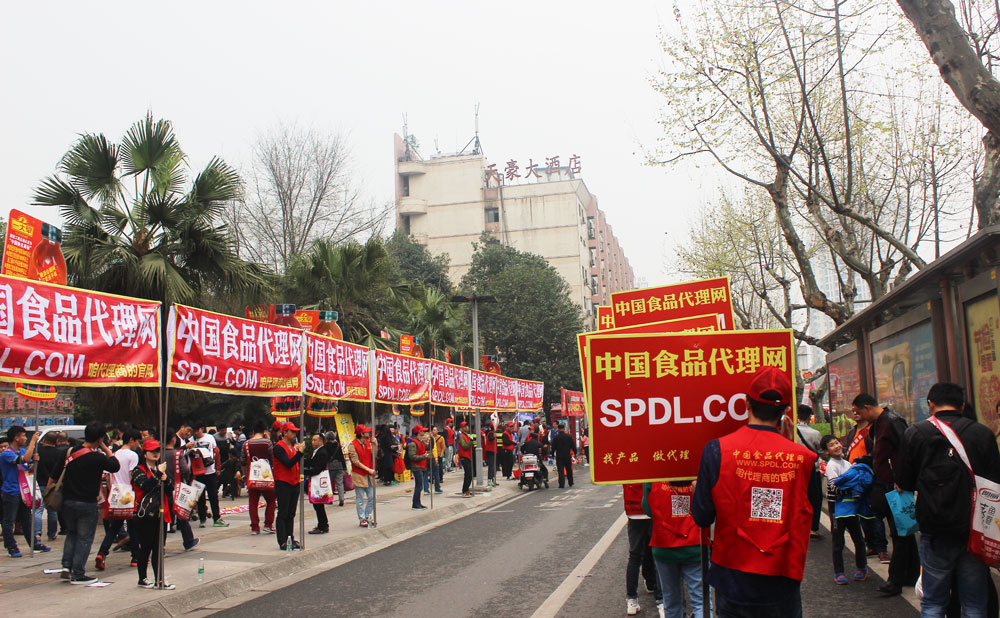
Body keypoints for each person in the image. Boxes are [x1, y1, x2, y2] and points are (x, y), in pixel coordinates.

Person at [692, 366, 819, 617]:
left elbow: (702, 517)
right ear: (785, 411)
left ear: (746, 404)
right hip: (782, 581)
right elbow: (811, 517)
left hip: (732, 579)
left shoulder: (716, 450)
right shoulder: (804, 458)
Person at [895, 383, 1000, 616]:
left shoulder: (915, 433)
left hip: (935, 527)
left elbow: (905, 481)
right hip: (975, 528)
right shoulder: (982, 433)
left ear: (930, 404)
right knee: (974, 603)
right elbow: (995, 480)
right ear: (962, 405)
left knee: (933, 602)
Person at [853, 393, 920, 595]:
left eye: (858, 411)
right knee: (904, 531)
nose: (857, 416)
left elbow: (909, 450)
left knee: (900, 532)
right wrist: (865, 460)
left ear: (867, 407)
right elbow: (880, 453)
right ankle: (911, 575)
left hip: (896, 486)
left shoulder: (892, 421)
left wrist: (903, 478)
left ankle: (895, 580)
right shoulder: (877, 426)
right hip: (885, 484)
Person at [59, 422, 121, 584]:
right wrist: (106, 448)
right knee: (85, 538)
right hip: (86, 502)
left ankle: (66, 566)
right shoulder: (97, 457)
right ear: (100, 438)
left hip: (68, 501)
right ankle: (78, 573)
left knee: (72, 534)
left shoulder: (72, 451)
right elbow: (115, 466)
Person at [644, 480, 700, 618]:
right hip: (695, 547)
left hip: (665, 546)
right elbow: (709, 510)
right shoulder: (699, 467)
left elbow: (647, 508)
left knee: (671, 603)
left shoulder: (652, 473)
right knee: (700, 603)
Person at [820, 435, 870, 585]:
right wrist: (851, 488)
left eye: (836, 443)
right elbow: (834, 487)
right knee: (838, 541)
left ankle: (862, 568)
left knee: (859, 540)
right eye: (831, 445)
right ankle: (839, 572)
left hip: (851, 508)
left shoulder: (847, 464)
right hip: (837, 509)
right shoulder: (831, 466)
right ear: (826, 452)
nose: (836, 446)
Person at [842, 404, 887, 562]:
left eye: (858, 411)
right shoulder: (852, 432)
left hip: (871, 475)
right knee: (862, 514)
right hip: (856, 478)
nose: (855, 414)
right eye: (853, 412)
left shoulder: (871, 430)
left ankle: (882, 549)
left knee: (875, 513)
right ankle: (871, 545)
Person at [131, 439, 175, 589]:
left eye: (158, 451)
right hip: (145, 515)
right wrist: (158, 474)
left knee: (159, 548)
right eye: (152, 451)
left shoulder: (159, 469)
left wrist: (166, 479)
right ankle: (142, 578)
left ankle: (159, 579)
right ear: (145, 454)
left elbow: (169, 489)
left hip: (160, 513)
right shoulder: (138, 470)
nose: (156, 454)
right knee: (146, 547)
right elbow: (145, 485)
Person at [95, 428, 141, 571]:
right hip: (128, 493)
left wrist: (113, 492)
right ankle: (135, 557)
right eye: (137, 441)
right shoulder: (132, 455)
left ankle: (102, 553)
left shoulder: (113, 454)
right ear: (131, 440)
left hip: (115, 493)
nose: (138, 445)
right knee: (133, 526)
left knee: (114, 528)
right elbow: (132, 475)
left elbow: (108, 477)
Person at [1, 426, 48, 557]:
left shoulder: (21, 450)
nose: (25, 439)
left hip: (24, 490)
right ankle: (12, 547)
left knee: (27, 519)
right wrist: (33, 442)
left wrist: (35, 461)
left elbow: (28, 465)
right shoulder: (7, 453)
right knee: (9, 520)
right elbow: (23, 460)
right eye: (23, 436)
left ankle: (34, 544)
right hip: (11, 491)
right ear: (16, 437)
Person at [624, 483, 660, 615]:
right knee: (657, 553)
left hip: (634, 507)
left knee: (634, 556)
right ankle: (661, 600)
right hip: (653, 503)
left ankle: (632, 599)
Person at [163, 431, 199, 550]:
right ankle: (188, 541)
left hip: (162, 488)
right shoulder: (177, 454)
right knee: (181, 516)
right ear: (173, 439)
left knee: (164, 518)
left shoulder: (158, 454)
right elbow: (186, 471)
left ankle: (160, 546)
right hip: (177, 489)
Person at [272, 421, 304, 550]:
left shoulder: (292, 446)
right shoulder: (279, 448)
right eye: (292, 431)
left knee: (291, 513)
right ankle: (282, 540)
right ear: (285, 433)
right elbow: (288, 463)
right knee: (283, 512)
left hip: (294, 482)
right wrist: (300, 453)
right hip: (283, 483)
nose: (294, 434)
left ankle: (290, 537)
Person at [242, 422, 276, 534]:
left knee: (253, 502)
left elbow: (242, 461)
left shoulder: (246, 444)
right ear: (264, 431)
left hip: (253, 476)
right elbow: (272, 459)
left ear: (253, 431)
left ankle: (255, 527)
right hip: (266, 476)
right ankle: (268, 524)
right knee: (271, 500)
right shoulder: (267, 443)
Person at [192, 423, 228, 528]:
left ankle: (216, 517)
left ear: (202, 429)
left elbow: (216, 452)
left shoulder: (210, 438)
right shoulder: (191, 440)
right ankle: (202, 518)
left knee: (213, 495)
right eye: (194, 431)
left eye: (197, 430)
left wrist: (217, 467)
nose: (195, 433)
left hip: (210, 471)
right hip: (198, 472)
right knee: (200, 496)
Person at [796, 404, 824, 540]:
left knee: (798, 498)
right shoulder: (815, 434)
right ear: (809, 417)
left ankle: (798, 526)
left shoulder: (791, 431)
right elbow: (820, 450)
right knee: (815, 498)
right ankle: (813, 528)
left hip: (795, 470)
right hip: (813, 469)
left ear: (797, 416)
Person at [35, 431, 62, 542]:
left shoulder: (37, 451)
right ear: (56, 441)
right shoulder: (58, 453)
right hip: (53, 485)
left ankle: (37, 534)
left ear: (44, 440)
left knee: (38, 509)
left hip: (39, 483)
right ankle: (52, 533)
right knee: (52, 509)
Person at [349, 424, 378, 526]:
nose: (368, 433)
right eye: (366, 432)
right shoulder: (352, 445)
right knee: (360, 498)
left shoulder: (369, 443)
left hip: (369, 475)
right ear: (362, 434)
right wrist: (368, 470)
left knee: (371, 496)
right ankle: (362, 519)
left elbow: (375, 455)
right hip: (359, 474)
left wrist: (376, 445)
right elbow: (355, 461)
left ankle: (367, 516)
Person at [305, 433, 330, 534]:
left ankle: (323, 526)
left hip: (318, 481)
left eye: (315, 440)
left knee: (318, 504)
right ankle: (322, 524)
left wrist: (304, 472)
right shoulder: (317, 451)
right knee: (318, 505)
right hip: (316, 480)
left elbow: (317, 469)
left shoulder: (322, 452)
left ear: (321, 441)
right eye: (312, 440)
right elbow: (311, 462)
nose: (313, 442)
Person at [405, 425, 432, 509]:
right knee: (419, 485)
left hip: (422, 466)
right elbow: (412, 457)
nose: (424, 432)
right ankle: (415, 503)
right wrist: (424, 456)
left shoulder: (422, 442)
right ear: (419, 432)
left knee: (420, 485)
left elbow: (430, 447)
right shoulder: (413, 444)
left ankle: (418, 502)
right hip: (416, 466)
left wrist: (431, 439)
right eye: (422, 431)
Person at [323, 431, 347, 507]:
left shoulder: (326, 446)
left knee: (329, 484)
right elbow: (341, 457)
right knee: (339, 483)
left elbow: (325, 456)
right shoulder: (338, 445)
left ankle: (330, 499)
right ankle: (341, 499)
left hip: (330, 466)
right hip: (339, 465)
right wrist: (344, 467)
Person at [551, 423, 577, 488]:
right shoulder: (568, 436)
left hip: (559, 455)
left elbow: (553, 447)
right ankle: (570, 482)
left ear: (558, 429)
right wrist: (575, 453)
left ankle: (561, 484)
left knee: (560, 470)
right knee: (568, 469)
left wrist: (552, 454)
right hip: (567, 455)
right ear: (564, 429)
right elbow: (573, 446)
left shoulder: (556, 437)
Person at [457, 421, 474, 497]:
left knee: (469, 474)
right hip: (464, 456)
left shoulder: (466, 435)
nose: (466, 428)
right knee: (468, 474)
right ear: (462, 428)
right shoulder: (461, 436)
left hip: (468, 456)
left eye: (467, 426)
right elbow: (464, 446)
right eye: (465, 426)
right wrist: (470, 441)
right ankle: (465, 490)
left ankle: (467, 489)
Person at [482, 422, 498, 486]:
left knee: (494, 466)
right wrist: (494, 437)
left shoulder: (492, 433)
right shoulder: (490, 433)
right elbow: (490, 439)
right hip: (491, 451)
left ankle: (493, 479)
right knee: (491, 466)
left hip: (493, 451)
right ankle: (489, 480)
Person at [431, 426, 445, 493]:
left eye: (434, 430)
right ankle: (432, 478)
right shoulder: (430, 438)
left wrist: (442, 453)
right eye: (433, 430)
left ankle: (440, 478)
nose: (433, 431)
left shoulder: (441, 438)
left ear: (437, 431)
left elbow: (443, 447)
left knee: (440, 467)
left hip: (439, 454)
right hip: (432, 455)